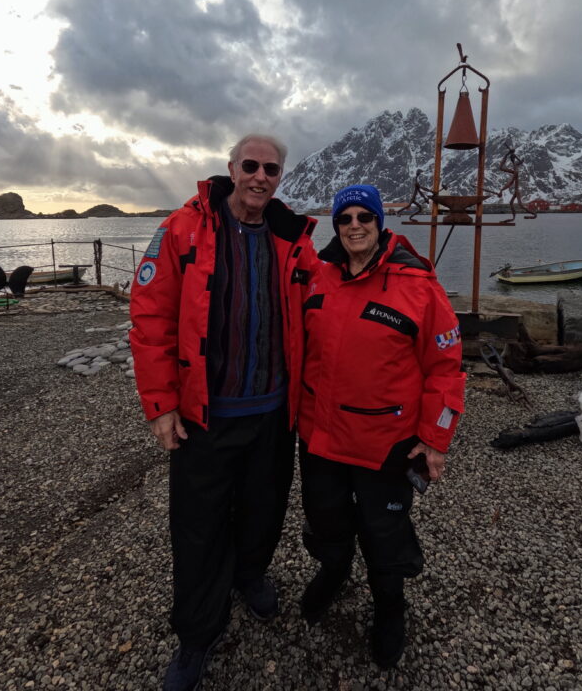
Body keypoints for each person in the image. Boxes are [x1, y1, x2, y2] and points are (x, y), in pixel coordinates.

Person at [130, 134, 317, 691]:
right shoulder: (183, 228)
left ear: (280, 178)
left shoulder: (294, 239)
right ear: (231, 168)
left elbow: (330, 312)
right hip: (205, 415)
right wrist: (161, 406)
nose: (261, 177)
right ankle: (196, 636)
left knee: (264, 510)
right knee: (198, 528)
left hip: (273, 413)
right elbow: (151, 318)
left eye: (273, 169)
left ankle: (250, 575)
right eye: (252, 166)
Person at [297, 184, 466, 669]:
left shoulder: (417, 285)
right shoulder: (317, 278)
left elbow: (446, 367)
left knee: (384, 533)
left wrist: (434, 439)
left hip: (384, 444)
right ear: (336, 224)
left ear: (379, 223)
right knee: (325, 519)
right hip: (319, 438)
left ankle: (390, 606)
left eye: (364, 216)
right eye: (345, 217)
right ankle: (335, 570)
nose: (354, 225)